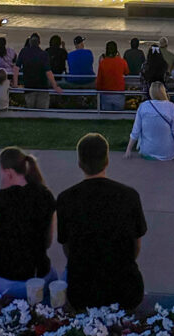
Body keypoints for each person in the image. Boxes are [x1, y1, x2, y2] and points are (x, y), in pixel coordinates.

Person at [57, 133, 147, 310]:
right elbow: (136, 245)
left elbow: (67, 247)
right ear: (107, 161)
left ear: (80, 163)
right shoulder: (129, 196)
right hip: (127, 292)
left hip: (82, 294)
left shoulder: (65, 199)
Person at [0, 147, 56, 298]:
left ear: (9, 173)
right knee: (53, 277)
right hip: (39, 279)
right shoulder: (46, 194)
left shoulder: (2, 199)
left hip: (5, 283)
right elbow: (48, 242)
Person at [125, 82, 174, 161]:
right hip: (168, 154)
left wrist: (128, 150)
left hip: (147, 151)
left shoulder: (143, 106)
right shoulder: (171, 107)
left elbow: (135, 131)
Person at [17, 35, 62, 108]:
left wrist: (15, 83)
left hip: (29, 86)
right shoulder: (44, 54)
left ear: (30, 43)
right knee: (42, 112)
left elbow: (16, 68)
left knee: (30, 109)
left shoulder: (24, 52)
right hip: (42, 87)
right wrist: (55, 86)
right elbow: (48, 72)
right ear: (39, 43)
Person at [96, 40, 129, 110]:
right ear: (116, 51)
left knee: (107, 115)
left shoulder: (103, 63)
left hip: (106, 93)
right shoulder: (122, 62)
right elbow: (126, 72)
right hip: (119, 93)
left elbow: (99, 80)